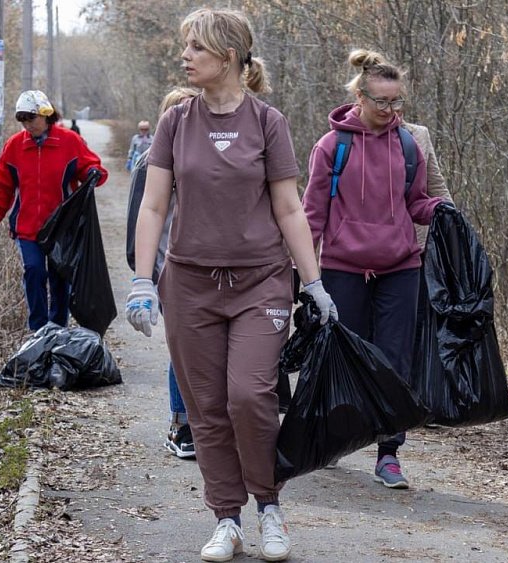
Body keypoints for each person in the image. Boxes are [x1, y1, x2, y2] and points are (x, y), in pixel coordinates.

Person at [124, 8, 337, 562]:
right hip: (189, 285)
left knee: (250, 396)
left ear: (228, 55)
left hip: (260, 282)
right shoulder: (175, 123)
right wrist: (142, 281)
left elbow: (289, 208)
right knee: (207, 408)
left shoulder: (267, 122)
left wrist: (313, 283)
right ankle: (227, 518)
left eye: (196, 47)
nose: (185, 56)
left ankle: (269, 506)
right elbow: (154, 206)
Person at [302, 49, 453, 490]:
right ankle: (334, 436)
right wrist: (302, 274)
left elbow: (416, 203)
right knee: (341, 357)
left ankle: (389, 454)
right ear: (360, 98)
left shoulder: (408, 144)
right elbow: (312, 214)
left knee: (394, 361)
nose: (391, 110)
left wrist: (441, 211)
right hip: (342, 266)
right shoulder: (332, 146)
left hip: (400, 266)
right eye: (382, 101)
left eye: (396, 101)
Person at [0, 90, 108, 331]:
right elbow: (3, 187)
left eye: (31, 118)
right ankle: (39, 330)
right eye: (22, 120)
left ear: (46, 114)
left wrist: (93, 173)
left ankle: (57, 328)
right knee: (34, 272)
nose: (27, 125)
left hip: (62, 227)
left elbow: (92, 166)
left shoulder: (69, 141)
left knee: (60, 279)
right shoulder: (14, 146)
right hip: (27, 227)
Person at [125, 86, 200, 459]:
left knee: (206, 348)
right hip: (166, 269)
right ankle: (182, 424)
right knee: (184, 349)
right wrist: (145, 281)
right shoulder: (149, 164)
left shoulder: (207, 162)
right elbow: (138, 223)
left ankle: (209, 425)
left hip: (206, 269)